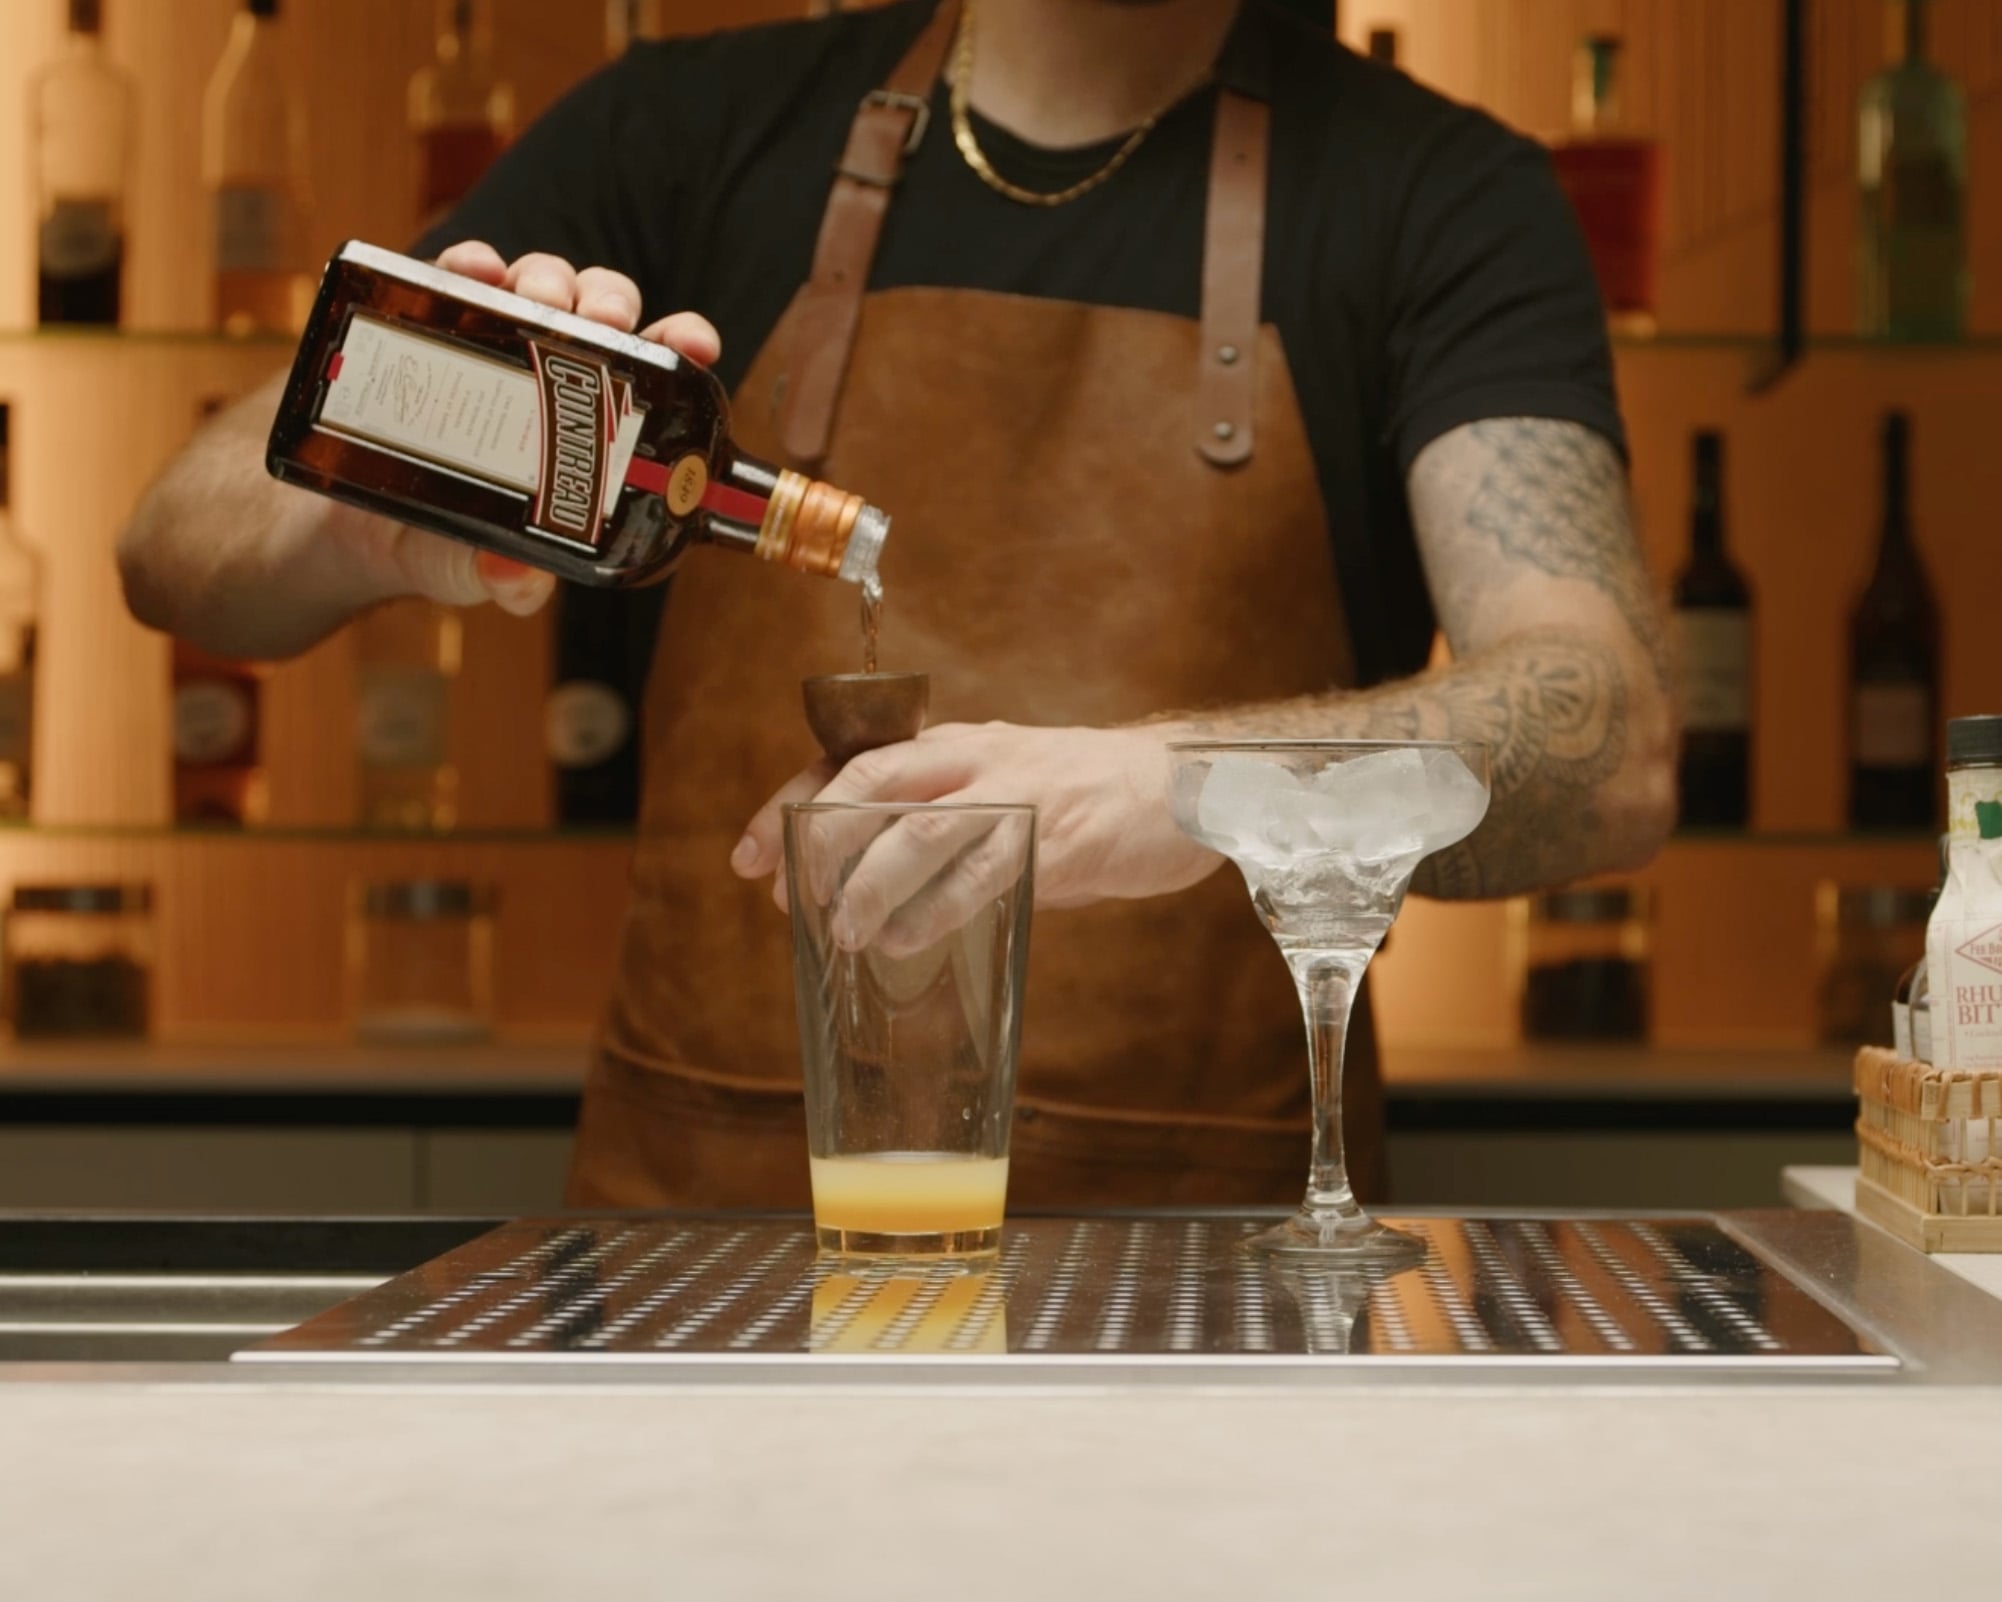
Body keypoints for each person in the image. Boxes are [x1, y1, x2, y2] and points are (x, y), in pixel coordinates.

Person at [119, 0, 1676, 1209]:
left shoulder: (1441, 197)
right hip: (692, 1259)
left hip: (1208, 1285)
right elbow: (177, 545)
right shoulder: (682, 130)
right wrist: (375, 517)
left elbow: (1602, 746)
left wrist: (1166, 785)